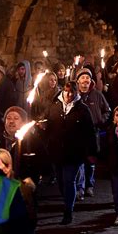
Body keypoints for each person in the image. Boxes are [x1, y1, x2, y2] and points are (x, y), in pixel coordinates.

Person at [44, 81, 96, 225]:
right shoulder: (54, 106)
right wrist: (42, 127)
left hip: (74, 153)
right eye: (67, 92)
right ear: (63, 92)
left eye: (72, 92)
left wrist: (92, 152)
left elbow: (90, 132)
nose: (69, 95)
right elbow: (48, 125)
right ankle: (67, 199)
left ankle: (68, 211)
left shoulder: (82, 109)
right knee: (61, 182)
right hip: (57, 151)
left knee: (69, 181)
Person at [75, 68, 111, 200]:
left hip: (93, 133)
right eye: (83, 78)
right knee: (79, 161)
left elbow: (107, 110)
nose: (85, 81)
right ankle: (80, 187)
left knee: (90, 161)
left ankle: (89, 185)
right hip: (78, 134)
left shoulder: (97, 95)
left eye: (88, 79)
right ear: (78, 81)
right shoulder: (75, 96)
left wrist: (101, 120)